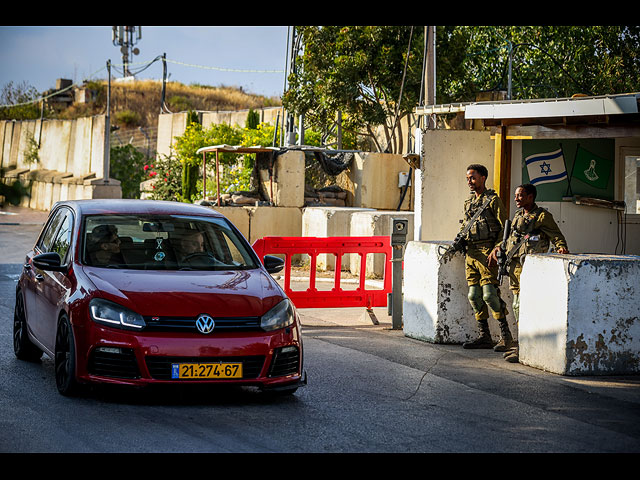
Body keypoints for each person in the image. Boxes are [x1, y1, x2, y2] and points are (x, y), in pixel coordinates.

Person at [488, 183, 569, 363]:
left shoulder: (542, 216)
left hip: (531, 267)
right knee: (517, 305)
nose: (516, 198)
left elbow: (556, 235)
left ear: (531, 197)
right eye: (516, 195)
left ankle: (526, 346)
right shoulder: (517, 216)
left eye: (520, 195)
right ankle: (521, 344)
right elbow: (509, 239)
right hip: (515, 266)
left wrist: (561, 247)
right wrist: (497, 249)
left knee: (526, 305)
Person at [459, 164, 514, 351]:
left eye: (473, 178)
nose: (470, 182)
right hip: (471, 254)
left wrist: (497, 248)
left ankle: (506, 336)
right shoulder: (469, 203)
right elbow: (466, 226)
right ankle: (485, 336)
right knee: (474, 296)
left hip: (487, 253)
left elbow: (505, 229)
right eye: (468, 178)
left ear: (483, 178)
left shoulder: (493, 201)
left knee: (490, 295)